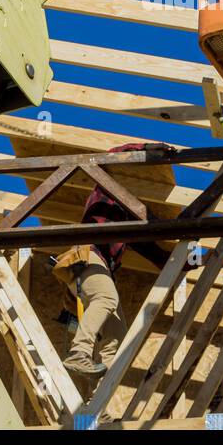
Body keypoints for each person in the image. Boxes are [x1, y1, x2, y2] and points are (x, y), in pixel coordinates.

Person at [57, 145, 189, 378]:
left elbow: (161, 258)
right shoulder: (104, 193)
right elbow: (108, 154)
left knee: (116, 335)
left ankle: (99, 408)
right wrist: (147, 149)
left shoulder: (130, 223)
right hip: (87, 256)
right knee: (107, 298)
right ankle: (79, 352)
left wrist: (199, 259)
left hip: (99, 270)